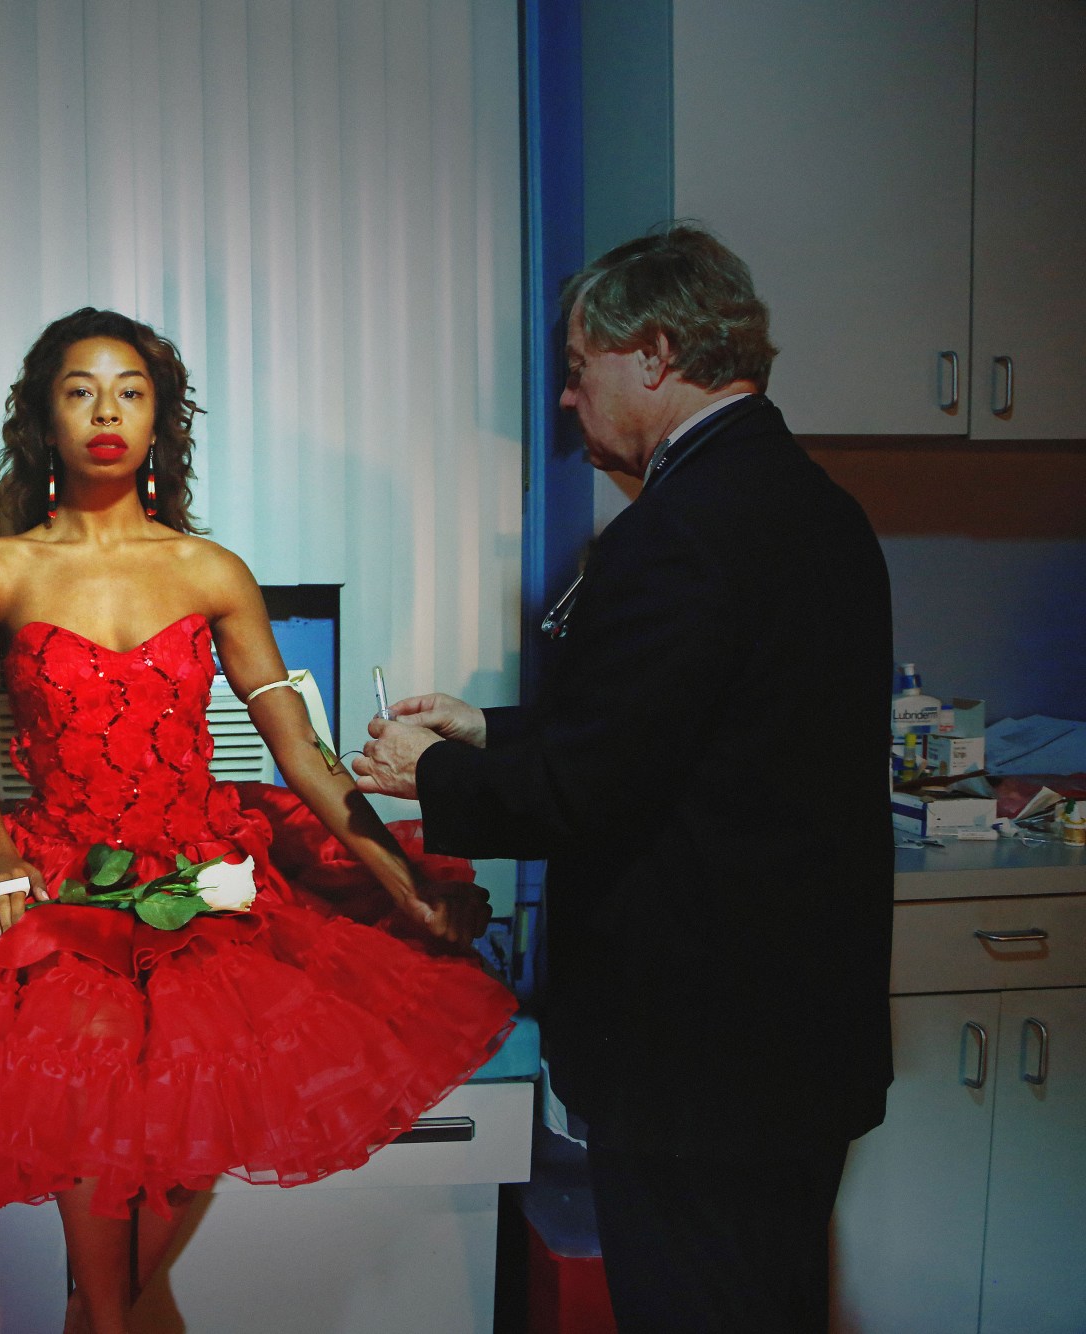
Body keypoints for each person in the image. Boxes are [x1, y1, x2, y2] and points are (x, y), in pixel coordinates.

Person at [0, 307, 517, 1334]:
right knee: (99, 1191)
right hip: (61, 884)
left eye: (129, 391)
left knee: (138, 1214)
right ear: (44, 418)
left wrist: (405, 886)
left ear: (157, 421)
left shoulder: (207, 569)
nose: (105, 412)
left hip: (209, 885)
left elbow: (294, 749)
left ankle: (100, 1312)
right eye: (80, 389)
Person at [351, 226, 893, 1333]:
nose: (563, 400)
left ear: (650, 354)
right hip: (789, 1051)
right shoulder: (809, 505)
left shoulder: (678, 530)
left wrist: (434, 771)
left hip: (701, 1063)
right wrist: (491, 726)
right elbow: (680, 732)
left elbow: (593, 789)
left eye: (575, 367)